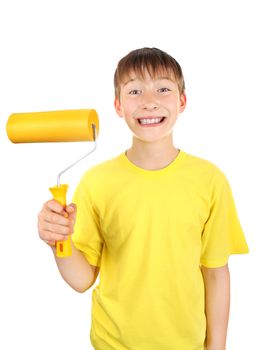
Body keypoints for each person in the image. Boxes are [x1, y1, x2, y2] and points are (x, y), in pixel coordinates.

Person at [37, 47, 249, 350]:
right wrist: (59, 242)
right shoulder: (97, 182)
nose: (149, 102)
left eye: (163, 89)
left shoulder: (210, 180)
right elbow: (82, 280)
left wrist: (217, 348)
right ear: (118, 105)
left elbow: (216, 273)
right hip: (113, 343)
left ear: (182, 101)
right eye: (135, 91)